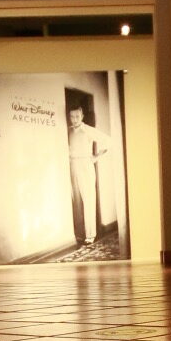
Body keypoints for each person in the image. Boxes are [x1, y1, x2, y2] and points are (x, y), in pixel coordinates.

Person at [66, 101, 110, 245]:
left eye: (77, 116)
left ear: (82, 116)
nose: (74, 119)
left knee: (88, 199)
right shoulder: (68, 131)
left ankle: (90, 235)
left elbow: (107, 141)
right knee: (75, 200)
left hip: (85, 165)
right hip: (72, 164)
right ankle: (79, 233)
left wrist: (95, 157)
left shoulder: (88, 130)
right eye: (72, 116)